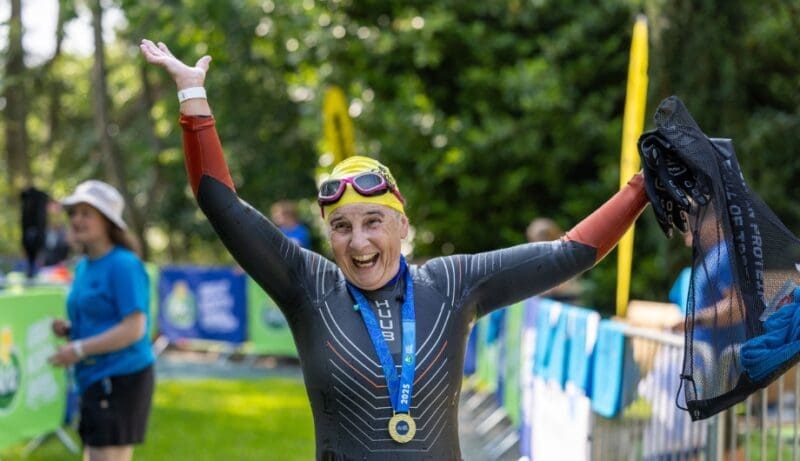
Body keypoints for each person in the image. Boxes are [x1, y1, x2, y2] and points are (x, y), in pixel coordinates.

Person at [140, 38, 649, 460]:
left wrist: (641, 188)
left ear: (402, 225)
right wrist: (192, 95)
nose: (358, 242)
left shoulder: (451, 284)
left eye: (373, 222)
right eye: (341, 226)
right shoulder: (308, 285)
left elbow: (569, 254)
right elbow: (219, 202)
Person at [47, 180, 154, 461]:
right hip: (94, 377)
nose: (77, 220)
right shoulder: (84, 266)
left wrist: (79, 349)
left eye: (86, 213)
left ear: (107, 221)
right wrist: (70, 330)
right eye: (73, 213)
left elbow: (134, 328)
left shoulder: (124, 265)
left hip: (120, 376)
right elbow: (104, 320)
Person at [526, 217, 583, 304]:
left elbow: (567, 286)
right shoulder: (537, 254)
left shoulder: (566, 251)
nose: (532, 243)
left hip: (564, 302)